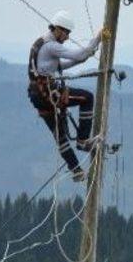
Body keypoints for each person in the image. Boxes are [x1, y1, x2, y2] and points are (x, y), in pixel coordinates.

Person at [28, 11, 102, 182]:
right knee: (87, 98)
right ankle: (83, 141)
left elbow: (65, 63)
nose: (68, 37)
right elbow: (78, 55)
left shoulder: (41, 44)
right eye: (67, 32)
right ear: (58, 29)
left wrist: (85, 55)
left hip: (38, 97)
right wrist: (97, 39)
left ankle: (76, 170)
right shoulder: (51, 46)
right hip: (50, 95)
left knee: (60, 135)